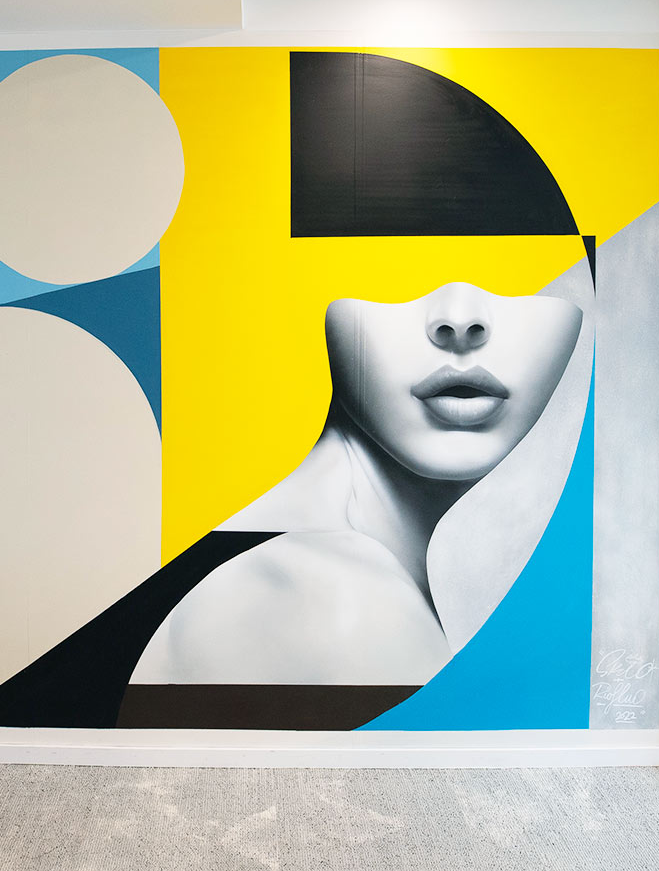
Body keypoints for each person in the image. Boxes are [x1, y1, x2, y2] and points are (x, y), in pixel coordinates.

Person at [131, 281, 583, 686]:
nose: (460, 319)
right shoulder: (336, 600)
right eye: (398, 273)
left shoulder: (286, 556)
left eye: (522, 276)